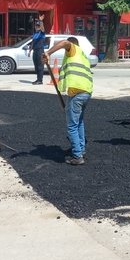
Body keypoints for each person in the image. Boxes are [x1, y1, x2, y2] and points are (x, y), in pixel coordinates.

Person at [42, 37, 93, 165]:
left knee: (72, 126)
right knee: (79, 121)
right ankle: (81, 148)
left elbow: (65, 43)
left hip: (77, 93)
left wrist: (48, 53)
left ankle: (77, 156)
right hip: (86, 92)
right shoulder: (83, 55)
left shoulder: (73, 49)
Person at [26, 13, 46, 85]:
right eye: (36, 25)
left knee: (40, 66)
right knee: (36, 66)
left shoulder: (42, 33)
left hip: (40, 50)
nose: (37, 27)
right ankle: (38, 79)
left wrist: (41, 21)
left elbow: (43, 28)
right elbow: (33, 43)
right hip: (35, 51)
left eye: (38, 26)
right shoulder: (35, 34)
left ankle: (40, 80)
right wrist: (30, 51)